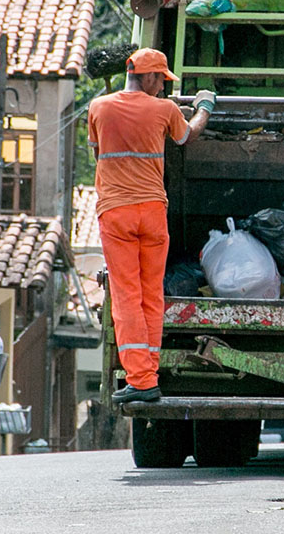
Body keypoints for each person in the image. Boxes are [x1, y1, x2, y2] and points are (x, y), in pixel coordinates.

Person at [88, 48, 215, 405]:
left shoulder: (98, 107)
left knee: (127, 297)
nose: (162, 86)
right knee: (151, 295)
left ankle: (141, 379)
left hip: (116, 214)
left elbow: (98, 154)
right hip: (152, 214)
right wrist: (205, 107)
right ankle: (149, 373)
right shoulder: (165, 110)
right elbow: (187, 137)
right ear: (144, 76)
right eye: (160, 78)